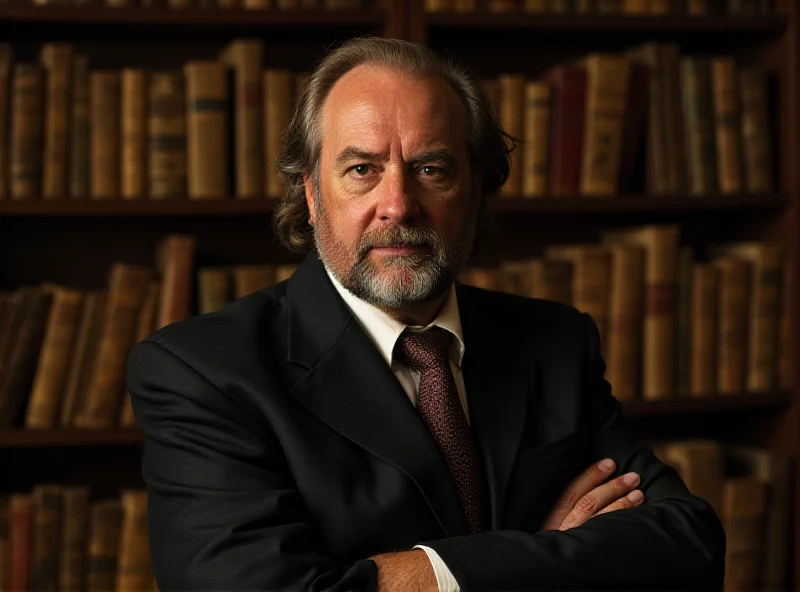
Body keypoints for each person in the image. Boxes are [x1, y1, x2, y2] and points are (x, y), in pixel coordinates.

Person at [127, 36, 726, 591]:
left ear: (476, 188)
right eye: (362, 169)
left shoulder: (555, 341)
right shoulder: (204, 373)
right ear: (310, 194)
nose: (397, 204)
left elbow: (688, 547)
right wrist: (540, 555)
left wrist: (410, 576)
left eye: (431, 169)